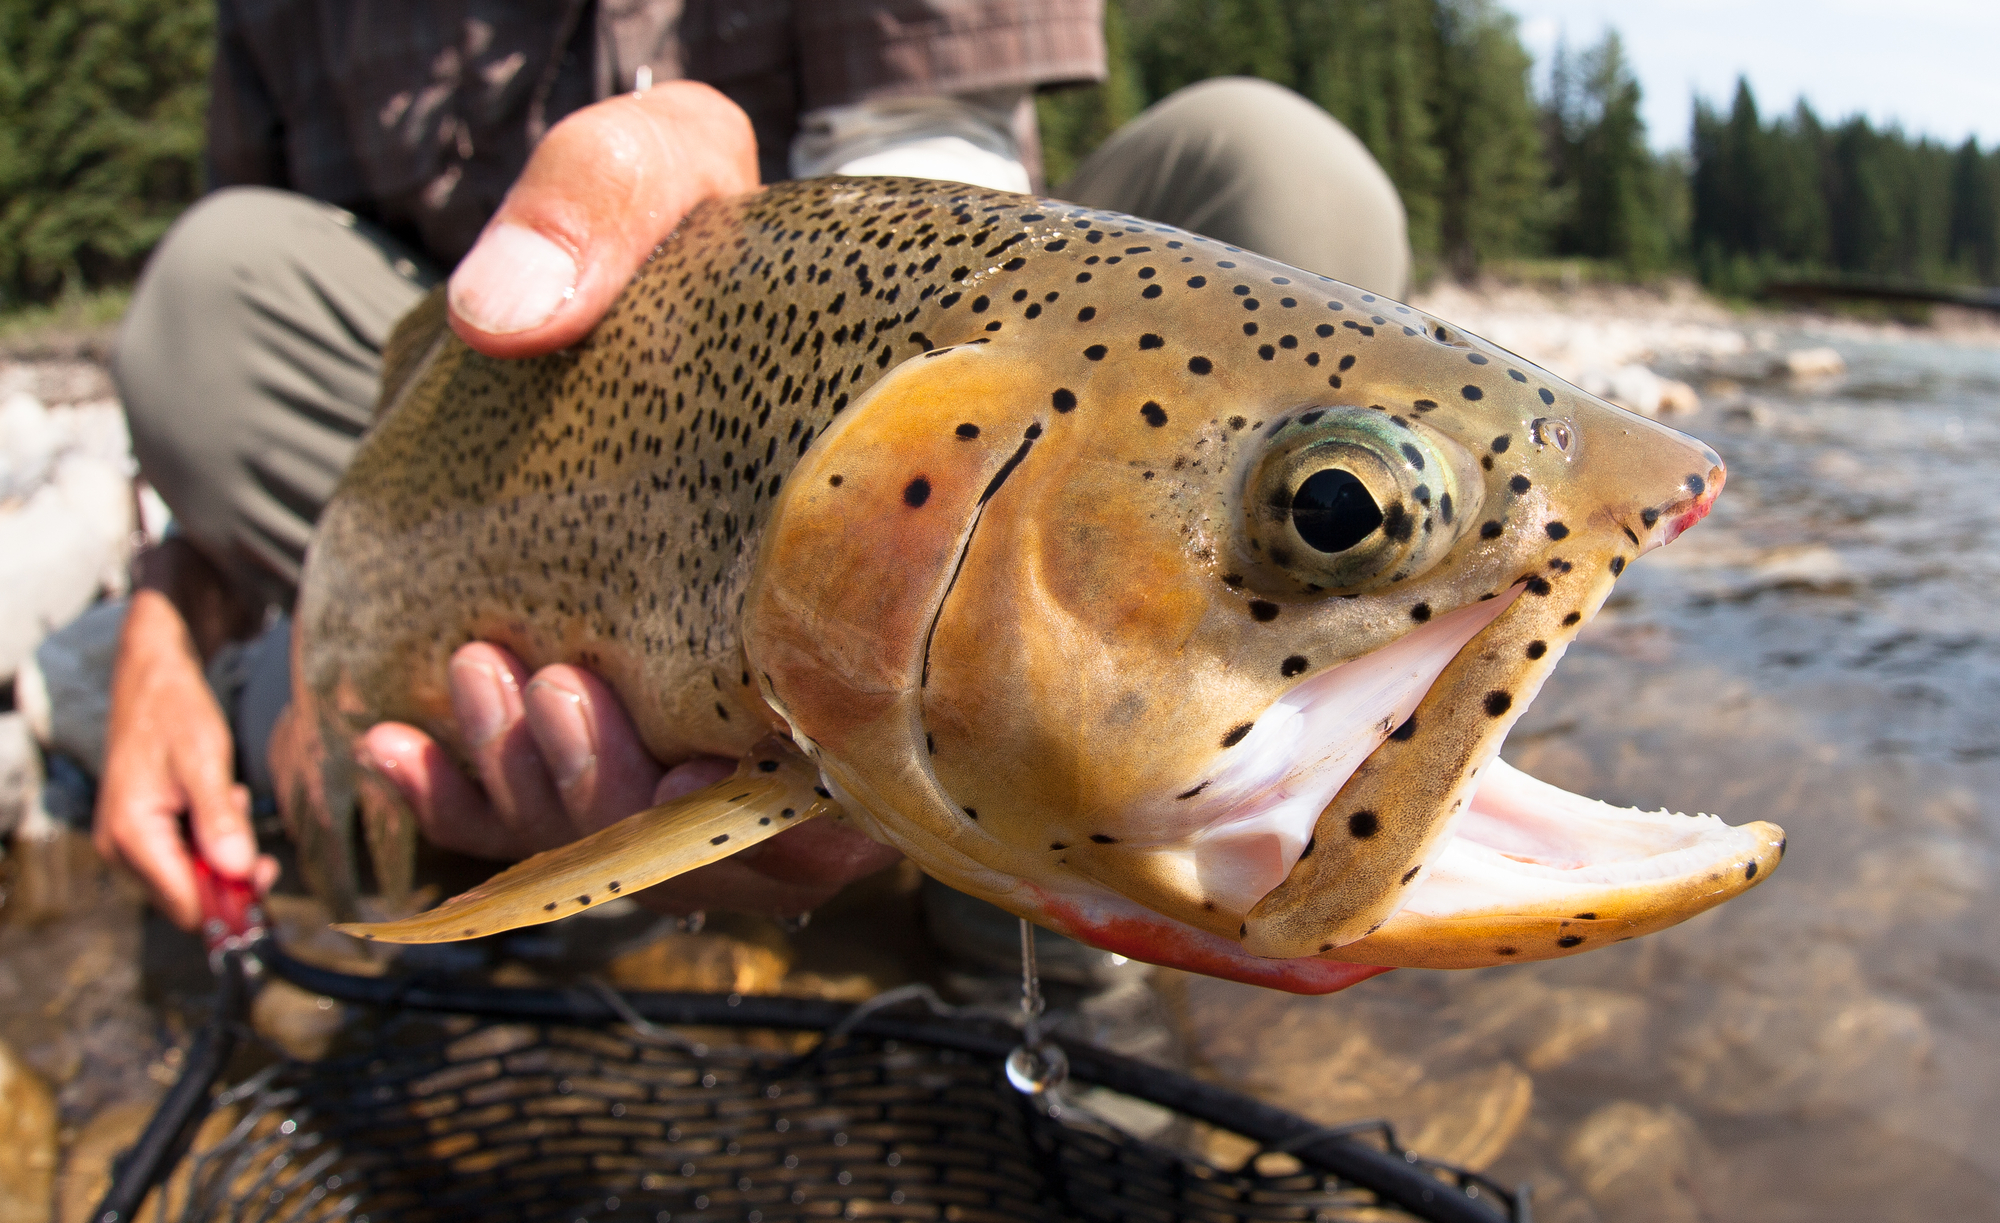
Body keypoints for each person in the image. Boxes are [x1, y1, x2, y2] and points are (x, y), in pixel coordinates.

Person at [91, 2, 1412, 941]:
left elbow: (933, 152)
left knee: (1285, 186)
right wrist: (165, 627)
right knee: (207, 292)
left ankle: (1050, 837)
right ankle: (413, 709)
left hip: (876, 393)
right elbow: (324, 308)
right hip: (504, 446)